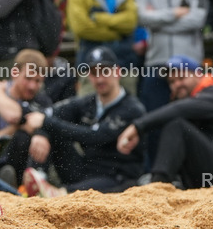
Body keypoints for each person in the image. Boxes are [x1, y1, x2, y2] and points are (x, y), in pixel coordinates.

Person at [22, 47, 146, 196]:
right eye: (94, 73)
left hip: (118, 176)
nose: (99, 79)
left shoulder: (132, 108)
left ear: (117, 72)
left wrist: (45, 123)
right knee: (47, 132)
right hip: (86, 170)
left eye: (105, 72)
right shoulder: (88, 102)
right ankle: (35, 181)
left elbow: (96, 136)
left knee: (51, 125)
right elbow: (50, 113)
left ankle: (56, 193)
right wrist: (41, 133)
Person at [117, 56, 213, 189]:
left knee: (177, 126)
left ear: (198, 74)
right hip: (212, 175)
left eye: (182, 78)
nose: (177, 84)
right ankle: (162, 182)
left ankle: (158, 185)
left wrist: (137, 126)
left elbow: (177, 110)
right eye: (172, 82)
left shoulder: (212, 95)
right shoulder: (194, 99)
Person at [134, 0, 208, 161]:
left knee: (192, 120)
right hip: (157, 63)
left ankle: (195, 169)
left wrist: (160, 19)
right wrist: (176, 13)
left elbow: (198, 20)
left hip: (189, 66)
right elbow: (142, 18)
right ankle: (156, 173)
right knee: (155, 118)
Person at [0, 49, 53, 187]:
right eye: (28, 78)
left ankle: (40, 181)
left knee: (39, 137)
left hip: (28, 163)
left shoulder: (42, 100)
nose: (32, 86)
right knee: (21, 135)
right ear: (14, 73)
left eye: (38, 81)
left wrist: (41, 135)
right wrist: (16, 127)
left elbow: (48, 126)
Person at [65, 0, 139, 94]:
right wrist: (117, 31)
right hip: (90, 66)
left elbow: (130, 23)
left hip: (124, 65)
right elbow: (82, 28)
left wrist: (99, 19)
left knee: (127, 111)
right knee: (88, 111)